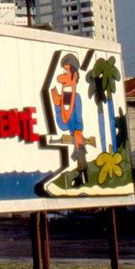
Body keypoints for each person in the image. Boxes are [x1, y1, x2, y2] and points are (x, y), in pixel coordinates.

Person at [50, 54, 89, 187]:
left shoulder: (76, 97)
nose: (63, 75)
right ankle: (81, 177)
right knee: (79, 157)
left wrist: (78, 130)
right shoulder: (62, 100)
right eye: (64, 71)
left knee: (80, 156)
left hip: (77, 136)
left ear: (75, 76)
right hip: (73, 135)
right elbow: (62, 125)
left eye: (67, 71)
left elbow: (78, 117)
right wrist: (57, 107)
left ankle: (82, 177)